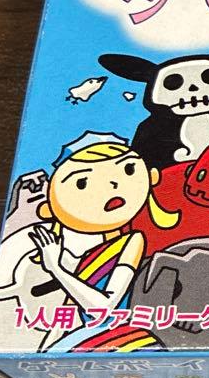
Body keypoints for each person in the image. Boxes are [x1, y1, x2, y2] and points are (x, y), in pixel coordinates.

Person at [27, 136, 175, 351]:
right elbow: (66, 318)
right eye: (82, 183)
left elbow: (103, 308)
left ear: (151, 177)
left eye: (128, 170)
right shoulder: (67, 251)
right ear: (49, 208)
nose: (113, 186)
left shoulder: (129, 243)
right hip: (84, 339)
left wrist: (56, 268)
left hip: (124, 338)